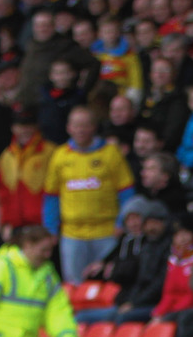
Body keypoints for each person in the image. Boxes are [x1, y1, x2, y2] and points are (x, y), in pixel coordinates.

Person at [43, 106, 136, 284]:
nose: (80, 130)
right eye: (76, 125)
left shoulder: (111, 153)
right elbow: (51, 197)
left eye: (85, 125)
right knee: (74, 284)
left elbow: (126, 192)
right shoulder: (60, 156)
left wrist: (121, 222)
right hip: (72, 234)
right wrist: (51, 229)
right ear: (68, 128)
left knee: (108, 283)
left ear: (94, 127)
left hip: (107, 232)